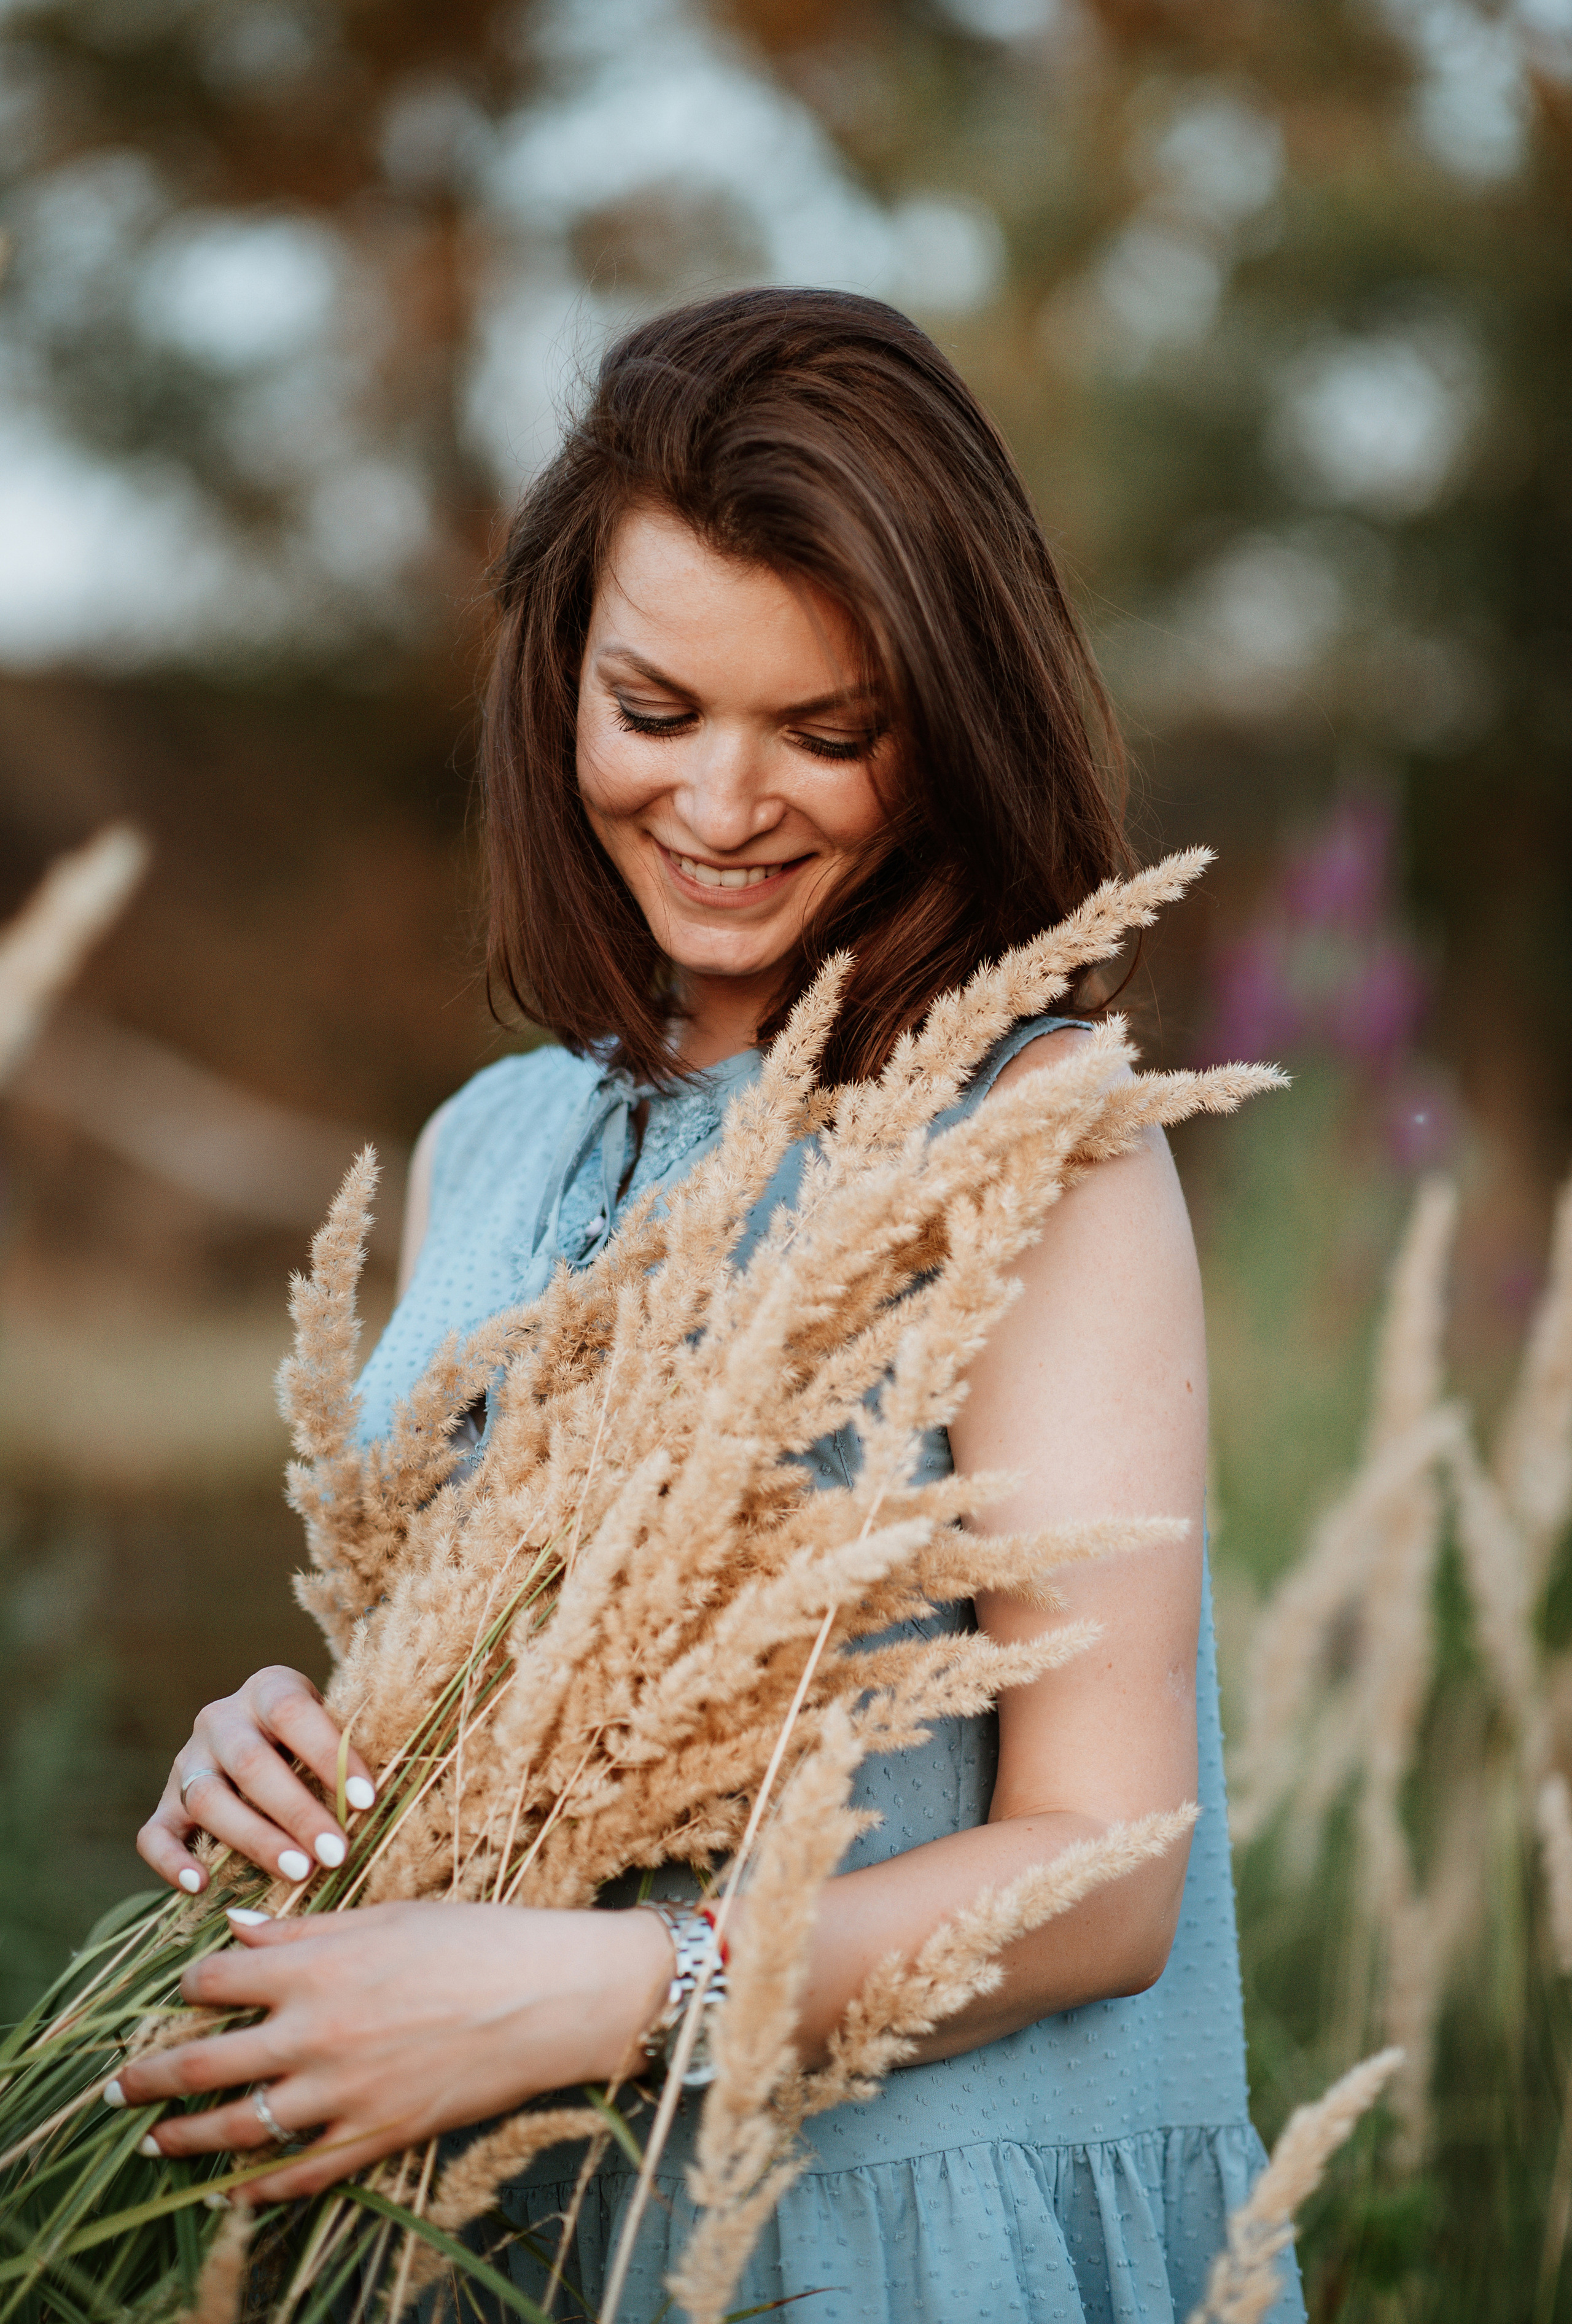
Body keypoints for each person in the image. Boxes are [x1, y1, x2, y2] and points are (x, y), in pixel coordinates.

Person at [123, 289, 1303, 2324]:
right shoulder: (495, 1142)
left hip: (899, 2242)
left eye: (826, 731)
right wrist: (286, 1760)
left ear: (945, 718)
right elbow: (500, 1710)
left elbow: (1107, 1866)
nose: (726, 803)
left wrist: (596, 1990)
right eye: (655, 712)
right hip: (520, 2238)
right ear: (555, 685)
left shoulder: (1039, 1134)